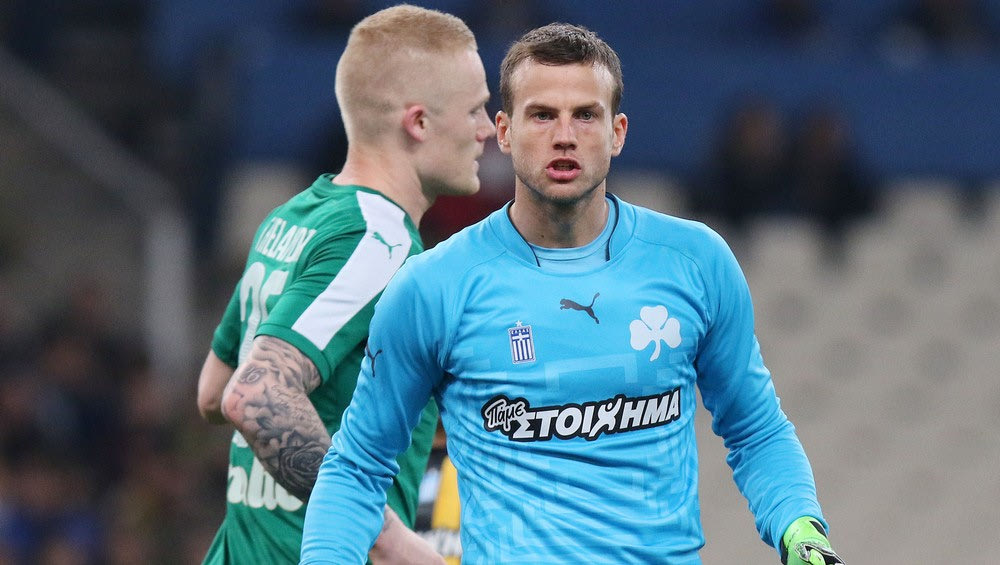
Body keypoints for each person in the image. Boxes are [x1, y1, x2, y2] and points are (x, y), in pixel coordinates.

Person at [301, 23, 844, 565]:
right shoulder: (433, 287)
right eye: (542, 115)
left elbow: (756, 430)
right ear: (504, 132)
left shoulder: (696, 262)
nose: (565, 135)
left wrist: (799, 528)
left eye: (585, 115)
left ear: (617, 132)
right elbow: (357, 466)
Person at [195, 4, 495, 564]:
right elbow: (254, 393)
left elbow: (213, 392)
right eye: (475, 109)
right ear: (419, 123)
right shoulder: (377, 241)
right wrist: (386, 535)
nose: (487, 130)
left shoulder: (292, 218)